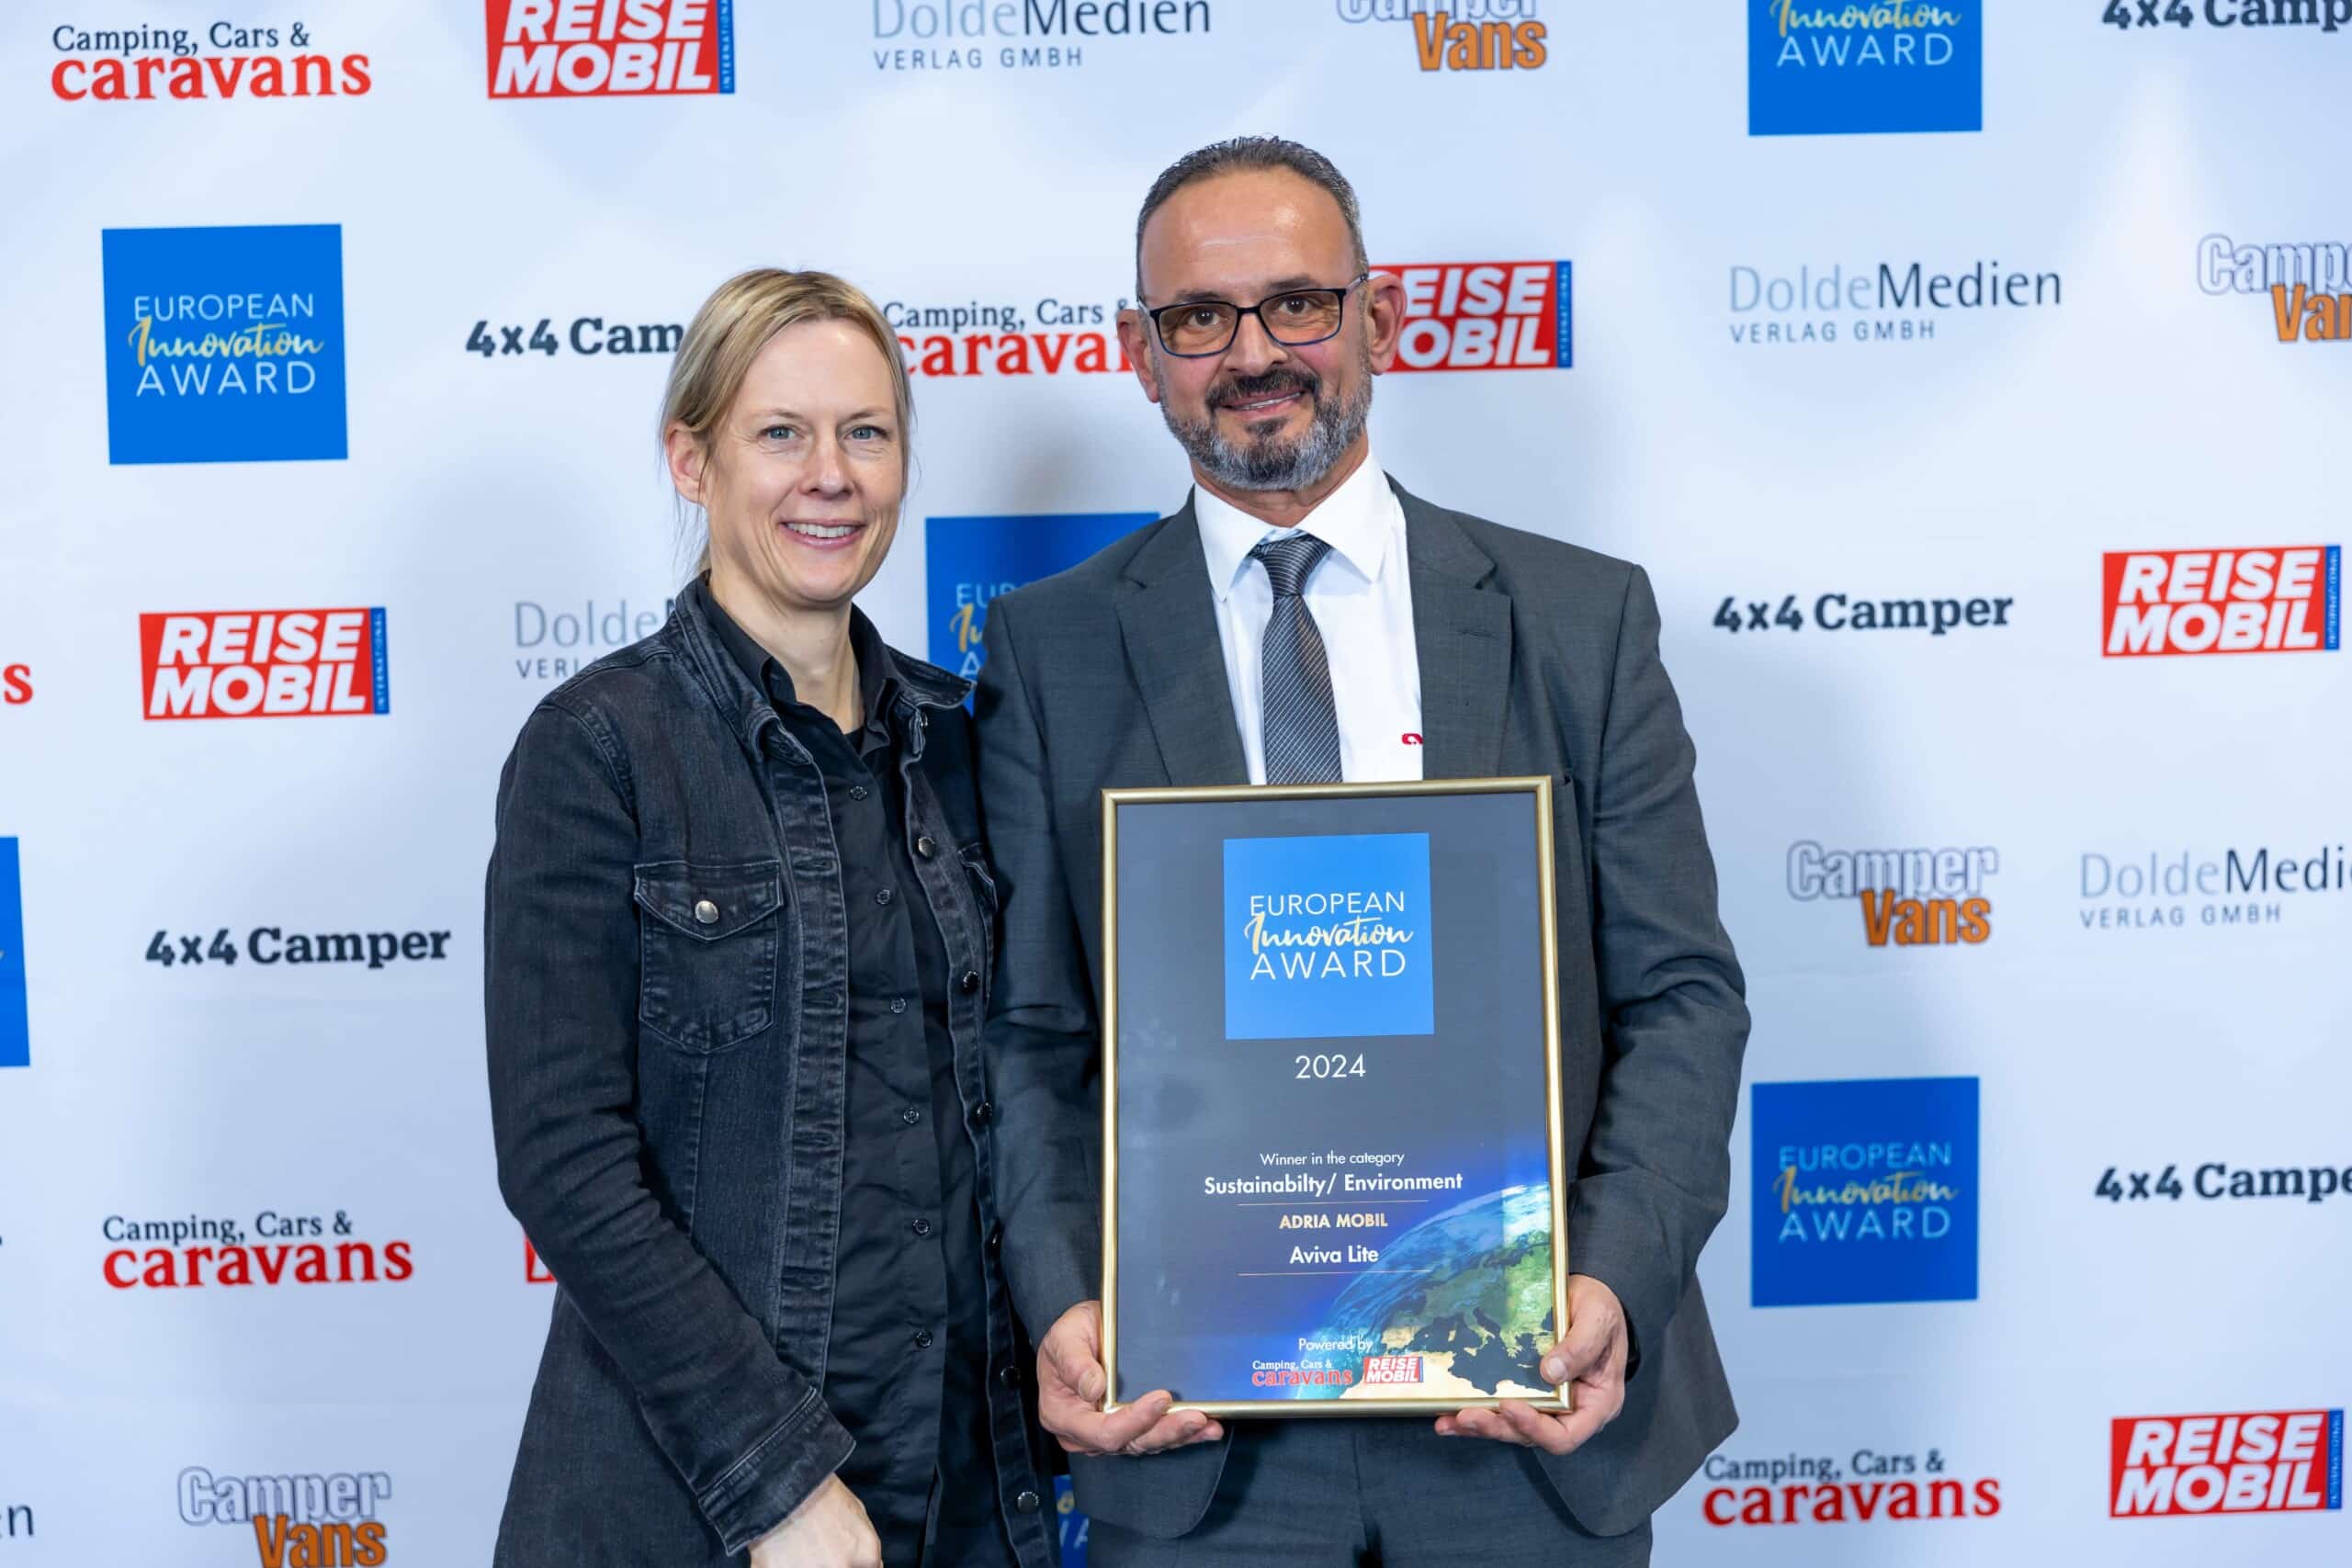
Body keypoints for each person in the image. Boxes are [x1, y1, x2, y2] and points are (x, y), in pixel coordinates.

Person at [974, 139, 1749, 1565]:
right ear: (1141, 355)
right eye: (1198, 318)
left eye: (1298, 303)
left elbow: (1683, 999)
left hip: (1524, 1428)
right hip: (1199, 1443)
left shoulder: (1580, 622)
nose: (1253, 353)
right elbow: (1030, 1035)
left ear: (1378, 318)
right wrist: (1065, 1296)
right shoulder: (1049, 651)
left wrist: (1609, 1287)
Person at [484, 269, 1057, 1568]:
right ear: (694, 461)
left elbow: (1036, 1089)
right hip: (708, 1504)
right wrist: (779, 1481)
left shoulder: (965, 739)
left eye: (866, 432)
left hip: (970, 1487)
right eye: (781, 434)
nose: (831, 476)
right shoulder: (599, 749)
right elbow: (562, 1158)